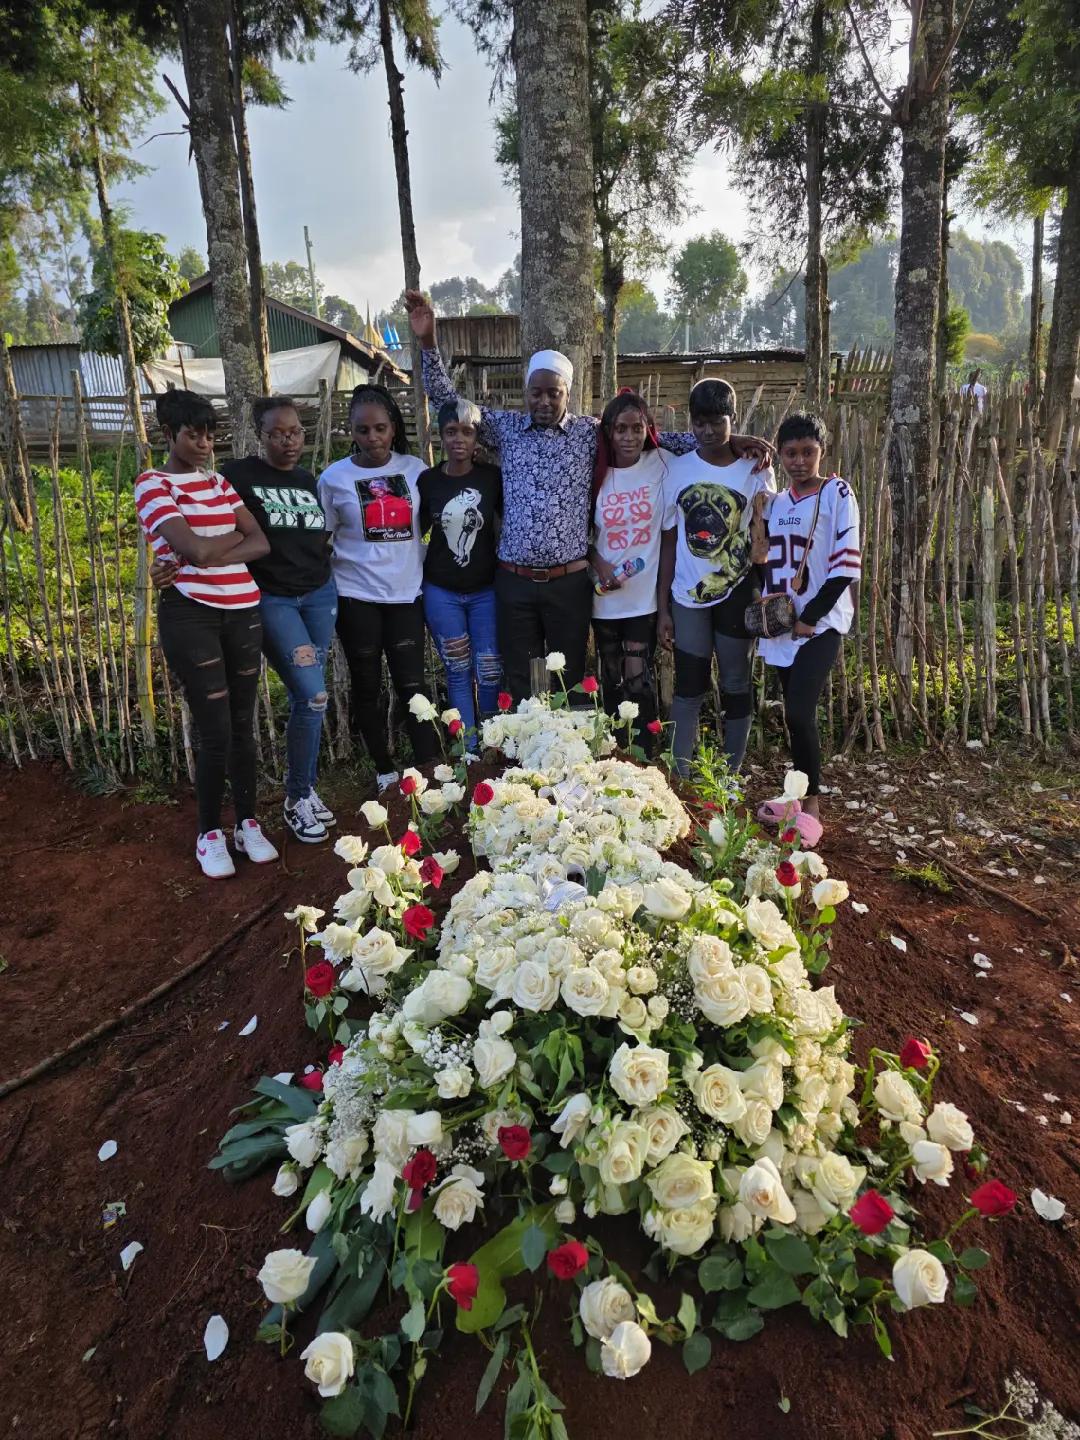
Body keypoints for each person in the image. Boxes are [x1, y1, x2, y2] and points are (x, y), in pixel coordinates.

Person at [404, 289, 773, 702]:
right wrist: (428, 341)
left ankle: (569, 744)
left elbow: (656, 439)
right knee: (525, 679)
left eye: (554, 393)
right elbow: (449, 402)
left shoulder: (588, 433)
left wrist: (731, 441)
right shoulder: (505, 429)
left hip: (568, 583)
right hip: (514, 582)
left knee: (569, 677)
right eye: (536, 392)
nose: (544, 401)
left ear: (568, 393)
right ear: (527, 391)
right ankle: (527, 744)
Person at [134, 389, 279, 879]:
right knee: (214, 728)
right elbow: (194, 548)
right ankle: (209, 834)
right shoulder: (153, 484)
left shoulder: (218, 483)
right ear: (168, 433)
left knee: (243, 724)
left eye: (210, 435)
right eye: (193, 434)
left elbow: (259, 542)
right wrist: (223, 544)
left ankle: (247, 823)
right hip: (191, 614)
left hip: (243, 611)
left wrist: (204, 551)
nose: (203, 444)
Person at [318, 383, 438, 793]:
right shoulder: (334, 478)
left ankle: (428, 764)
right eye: (363, 430)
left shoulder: (416, 470)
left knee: (412, 685)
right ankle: (385, 769)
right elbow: (323, 540)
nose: (372, 438)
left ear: (393, 428)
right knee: (366, 685)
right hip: (357, 597)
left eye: (380, 429)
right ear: (351, 430)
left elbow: (429, 525)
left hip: (406, 594)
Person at [657, 378, 777, 779]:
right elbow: (669, 540)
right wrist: (663, 607)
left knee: (736, 681)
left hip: (738, 592)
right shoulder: (677, 469)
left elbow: (766, 535)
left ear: (733, 419)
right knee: (689, 685)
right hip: (687, 597)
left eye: (717, 422)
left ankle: (728, 777)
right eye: (700, 422)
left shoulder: (756, 470)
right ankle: (680, 776)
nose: (707, 431)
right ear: (690, 422)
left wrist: (767, 590)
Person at [756, 412, 861, 845]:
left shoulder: (837, 493)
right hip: (783, 625)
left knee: (800, 712)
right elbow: (763, 561)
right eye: (790, 453)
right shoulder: (777, 503)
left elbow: (845, 565)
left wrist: (811, 615)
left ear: (822, 451)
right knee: (794, 717)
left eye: (808, 452)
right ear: (780, 455)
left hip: (821, 623)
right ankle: (796, 798)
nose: (799, 461)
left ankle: (812, 808)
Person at [588, 389, 672, 752]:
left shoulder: (661, 464)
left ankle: (646, 756)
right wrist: (599, 563)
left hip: (643, 600)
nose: (629, 437)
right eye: (620, 429)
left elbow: (706, 446)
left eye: (637, 428)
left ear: (647, 429)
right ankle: (615, 756)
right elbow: (577, 532)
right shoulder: (595, 472)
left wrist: (664, 605)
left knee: (637, 678)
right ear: (608, 431)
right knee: (611, 677)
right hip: (605, 596)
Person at [418, 399, 503, 742]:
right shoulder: (428, 481)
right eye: (451, 431)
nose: (459, 440)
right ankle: (468, 750)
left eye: (467, 432)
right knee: (457, 670)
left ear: (476, 437)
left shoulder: (491, 478)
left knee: (489, 669)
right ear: (440, 435)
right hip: (442, 590)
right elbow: (414, 532)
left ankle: (493, 743)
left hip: (486, 589)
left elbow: (507, 524)